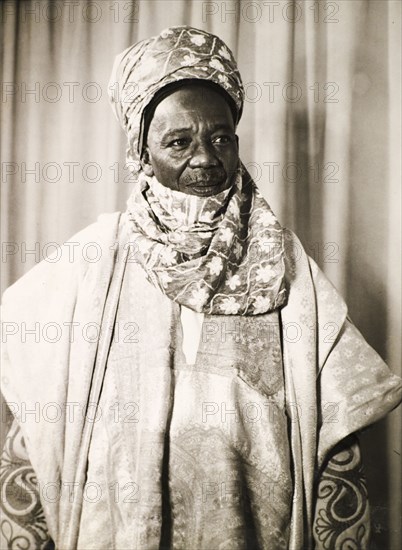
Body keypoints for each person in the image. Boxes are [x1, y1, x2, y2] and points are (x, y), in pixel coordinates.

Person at [1, 26, 401, 550]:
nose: (206, 158)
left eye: (220, 138)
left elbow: (338, 436)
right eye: (179, 141)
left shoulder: (284, 263)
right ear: (141, 153)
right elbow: (31, 430)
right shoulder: (87, 264)